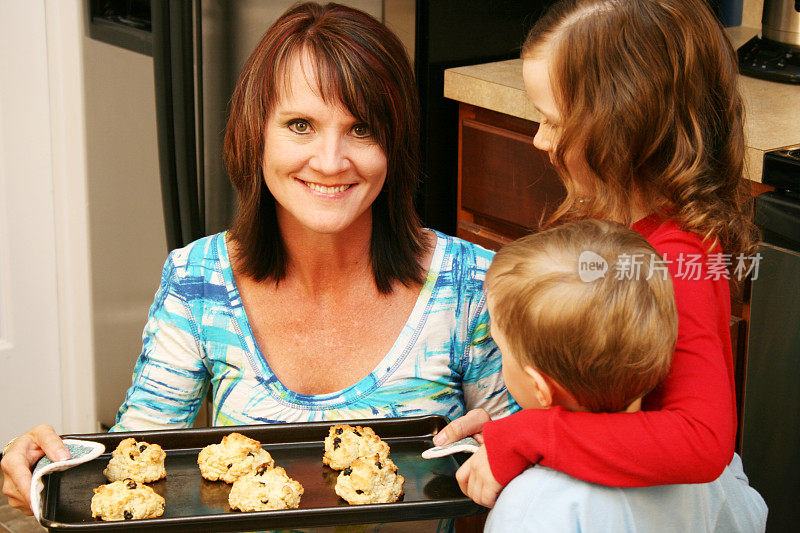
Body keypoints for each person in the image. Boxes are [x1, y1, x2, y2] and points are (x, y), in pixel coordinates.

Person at [1, 2, 513, 516]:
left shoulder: (470, 284)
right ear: (256, 133)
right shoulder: (198, 281)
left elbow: (539, 465)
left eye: (361, 129)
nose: (331, 162)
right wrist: (50, 466)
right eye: (299, 125)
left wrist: (519, 447)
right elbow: (135, 457)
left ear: (395, 142)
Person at [435, 0, 762, 509]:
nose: (540, 139)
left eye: (552, 120)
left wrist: (532, 437)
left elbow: (700, 439)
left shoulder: (675, 257)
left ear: (626, 121)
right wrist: (514, 422)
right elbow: (606, 395)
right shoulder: (615, 222)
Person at [480, 219, 766, 531]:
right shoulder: (711, 481)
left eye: (502, 348)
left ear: (540, 386)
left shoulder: (531, 505)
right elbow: (749, 515)